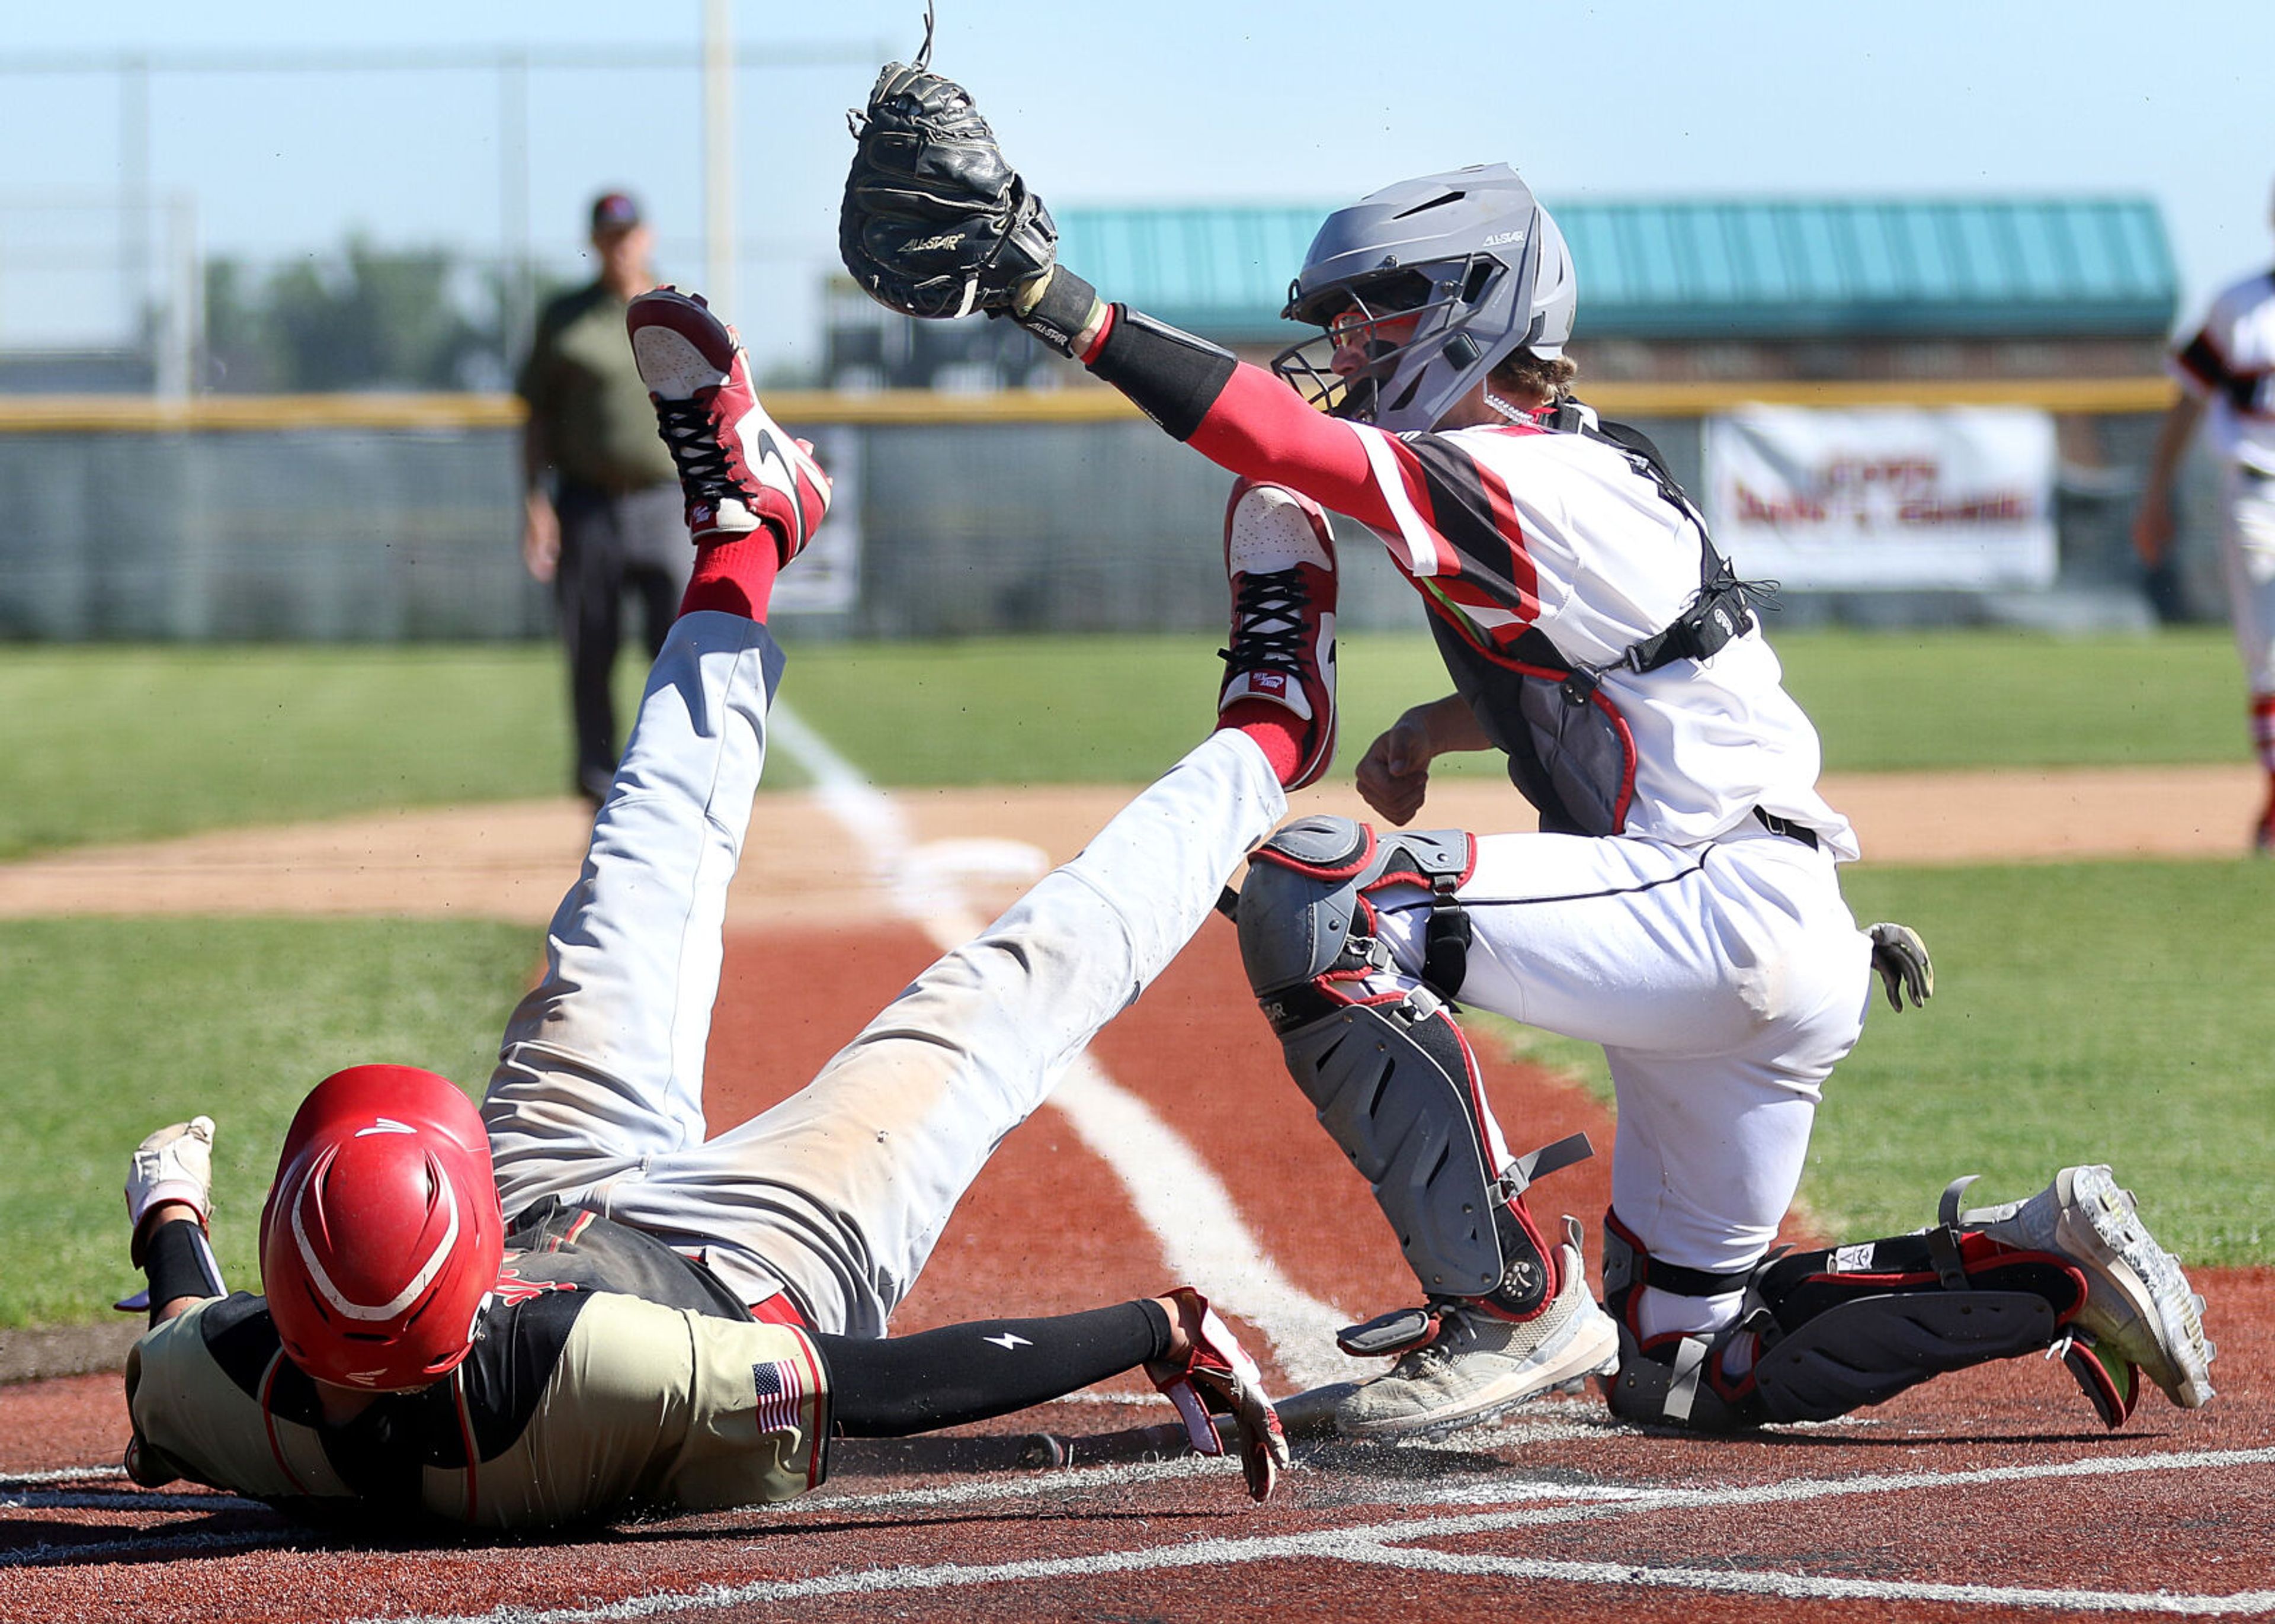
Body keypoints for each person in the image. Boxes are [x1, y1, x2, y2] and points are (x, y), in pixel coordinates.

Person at [838, 65, 2219, 1440]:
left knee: (1325, 901)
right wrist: (1435, 726)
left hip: (1708, 902)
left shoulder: (1534, 474)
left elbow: (1279, 439)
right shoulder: (1557, 469)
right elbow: (1604, 681)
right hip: (1758, 933)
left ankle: (1500, 1304)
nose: (1346, 349)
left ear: (1469, 308)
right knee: (1684, 1363)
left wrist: (1052, 303)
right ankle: (2042, 1259)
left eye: (1368, 318)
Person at [117, 287, 1301, 1529]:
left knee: (631, 868)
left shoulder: (234, 1390)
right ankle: (1273, 731)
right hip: (759, 1261)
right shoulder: (597, 1376)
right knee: (993, 1004)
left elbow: (184, 1323)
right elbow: (879, 1388)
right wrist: (1152, 1328)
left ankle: (748, 527)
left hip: (550, 1201)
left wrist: (170, 1213)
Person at [518, 191, 694, 804]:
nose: (619, 245)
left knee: (679, 652)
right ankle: (600, 795)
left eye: (628, 234)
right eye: (608, 234)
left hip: (667, 502)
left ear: (645, 237)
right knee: (591, 653)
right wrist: (536, 504)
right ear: (595, 241)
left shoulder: (675, 311)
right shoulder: (568, 317)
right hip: (587, 505)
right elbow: (536, 416)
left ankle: (677, 790)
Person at [2133, 195, 2275, 852]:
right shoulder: (2239, 304)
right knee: (2269, 654)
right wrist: (2156, 492)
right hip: (2258, 494)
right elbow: (2188, 399)